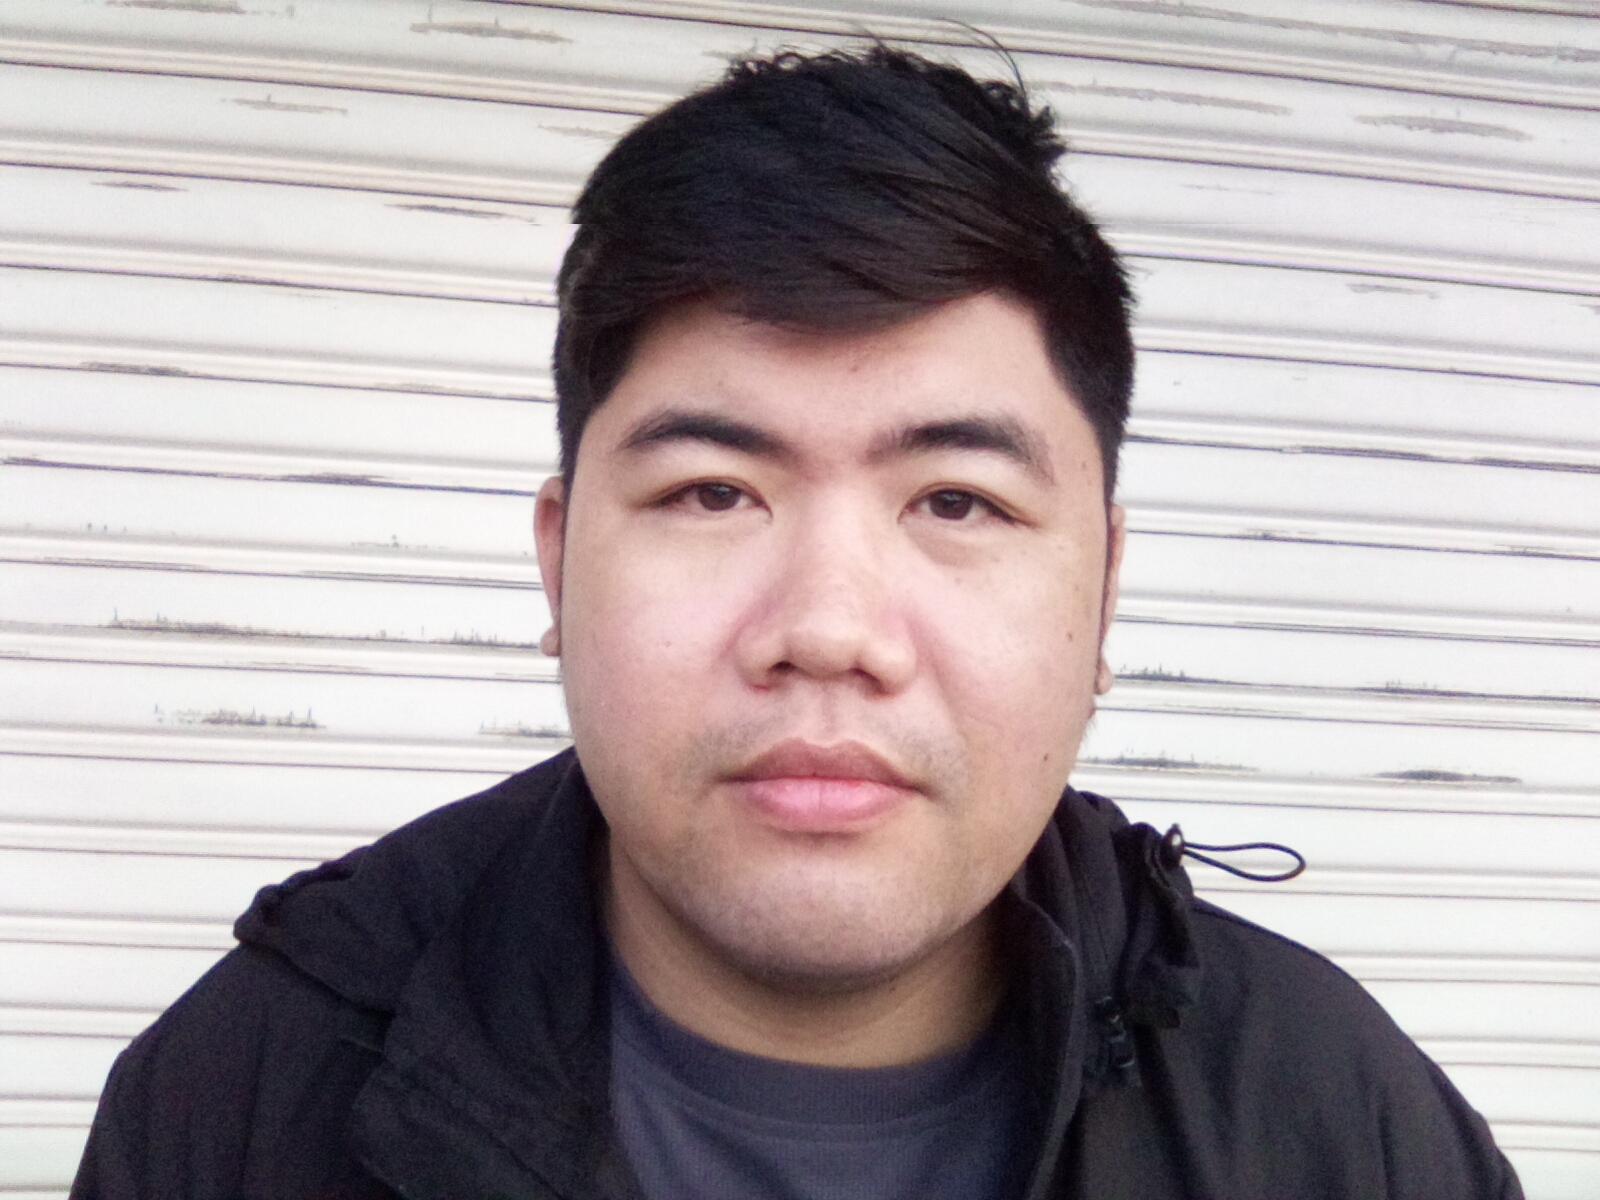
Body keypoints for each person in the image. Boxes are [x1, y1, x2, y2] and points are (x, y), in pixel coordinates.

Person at [71, 47, 1521, 1200]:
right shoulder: (249, 1096)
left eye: (956, 502)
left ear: (1103, 596)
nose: (828, 630)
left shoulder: (1335, 1120)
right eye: (713, 492)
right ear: (559, 567)